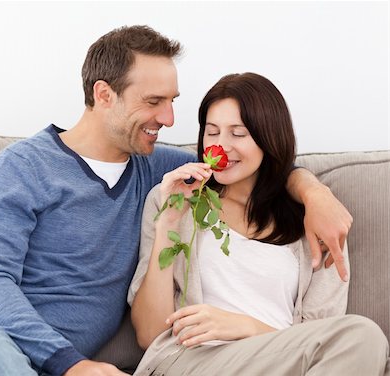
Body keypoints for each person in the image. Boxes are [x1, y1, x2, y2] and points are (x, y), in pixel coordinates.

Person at [0, 26, 352, 376]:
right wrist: (73, 364)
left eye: (173, 101)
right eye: (154, 102)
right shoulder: (25, 166)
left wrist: (315, 193)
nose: (169, 119)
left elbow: (256, 161)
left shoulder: (158, 168)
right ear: (104, 95)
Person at [128, 73, 389, 375]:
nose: (221, 146)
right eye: (212, 133)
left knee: (361, 338)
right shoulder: (171, 199)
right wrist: (168, 226)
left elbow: (321, 338)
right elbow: (150, 335)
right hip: (193, 360)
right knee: (361, 334)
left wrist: (245, 327)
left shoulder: (314, 222)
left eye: (238, 134)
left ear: (269, 138)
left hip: (280, 362)